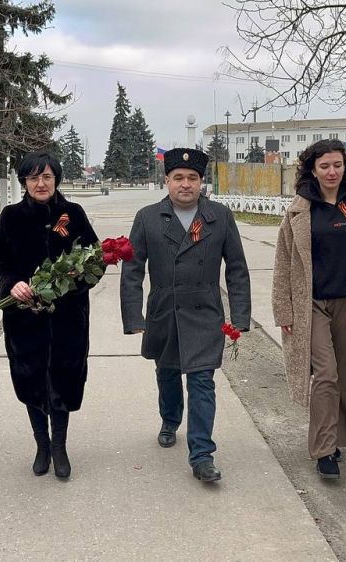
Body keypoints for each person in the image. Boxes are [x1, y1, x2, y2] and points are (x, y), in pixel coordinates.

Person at [120, 147, 251, 483]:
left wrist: (240, 314)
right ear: (167, 181)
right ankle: (169, 418)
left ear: (200, 182)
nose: (185, 184)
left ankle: (202, 455)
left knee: (202, 380)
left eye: (192, 178)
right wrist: (134, 317)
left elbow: (236, 268)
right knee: (167, 372)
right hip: (164, 310)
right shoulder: (148, 217)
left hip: (205, 311)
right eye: (178, 177)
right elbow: (133, 270)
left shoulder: (219, 216)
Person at [271, 139, 346, 480]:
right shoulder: (299, 211)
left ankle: (336, 438)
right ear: (312, 169)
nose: (331, 172)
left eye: (337, 165)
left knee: (343, 375)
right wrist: (284, 311)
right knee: (324, 374)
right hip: (312, 303)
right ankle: (324, 449)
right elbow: (283, 262)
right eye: (324, 166)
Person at [0, 152, 98, 479]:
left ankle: (59, 445)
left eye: (47, 176)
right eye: (33, 178)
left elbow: (95, 261)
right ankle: (41, 445)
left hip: (67, 320)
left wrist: (70, 282)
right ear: (24, 182)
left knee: (63, 379)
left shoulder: (73, 214)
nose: (41, 183)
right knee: (31, 379)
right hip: (24, 320)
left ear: (56, 179)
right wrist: (10, 285)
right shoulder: (10, 218)